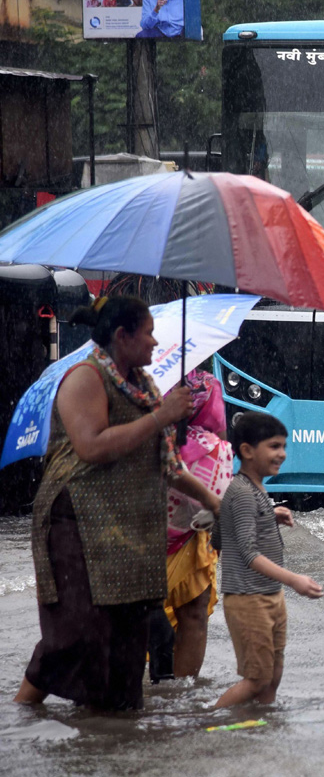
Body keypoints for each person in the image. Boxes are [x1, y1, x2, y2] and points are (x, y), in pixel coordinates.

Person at [13, 296, 221, 710]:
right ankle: (20, 713)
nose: (154, 341)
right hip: (76, 522)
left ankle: (113, 734)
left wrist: (214, 500)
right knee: (76, 634)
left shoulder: (145, 386)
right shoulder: (84, 378)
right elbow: (92, 446)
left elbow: (169, 464)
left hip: (129, 527)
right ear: (122, 336)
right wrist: (161, 417)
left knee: (127, 636)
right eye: (147, 333)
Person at [213, 413, 323, 708]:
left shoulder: (255, 488)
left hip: (269, 596)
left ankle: (262, 724)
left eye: (284, 446)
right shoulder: (243, 492)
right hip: (249, 599)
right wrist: (293, 579)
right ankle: (209, 722)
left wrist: (269, 515)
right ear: (247, 451)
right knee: (257, 679)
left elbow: (226, 528)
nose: (282, 454)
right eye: (274, 446)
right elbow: (248, 553)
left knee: (273, 675)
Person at [161, 370, 233, 679]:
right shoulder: (214, 448)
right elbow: (218, 499)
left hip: (142, 544)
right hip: (191, 543)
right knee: (193, 617)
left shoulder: (145, 434)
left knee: (139, 620)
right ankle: (180, 690)